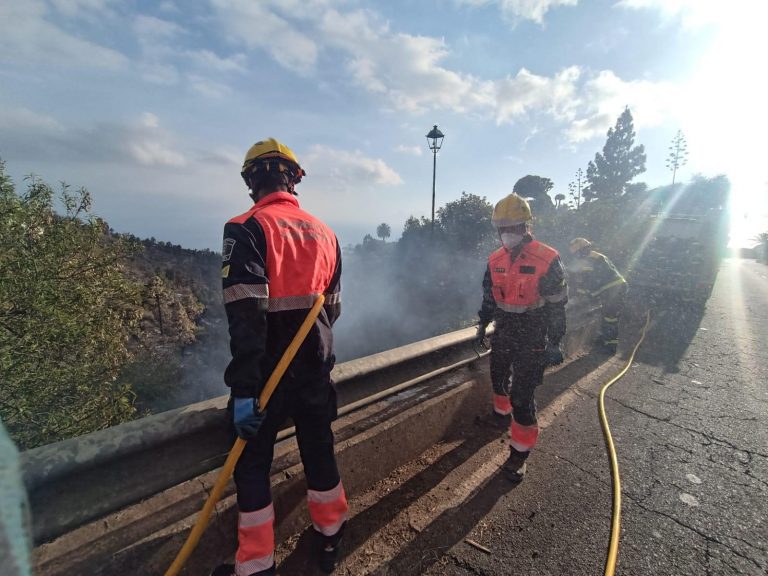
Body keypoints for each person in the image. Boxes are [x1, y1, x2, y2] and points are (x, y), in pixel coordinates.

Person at [214, 139, 348, 576]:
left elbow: (247, 318)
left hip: (267, 378)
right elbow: (332, 310)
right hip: (314, 371)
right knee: (319, 450)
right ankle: (330, 540)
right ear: (294, 178)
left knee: (253, 467)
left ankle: (256, 567)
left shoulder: (246, 228)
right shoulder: (326, 233)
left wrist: (243, 390)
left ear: (252, 180)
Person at [475, 192, 568, 483]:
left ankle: (519, 454)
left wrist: (555, 341)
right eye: (502, 228)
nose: (507, 233)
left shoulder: (547, 258)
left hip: (534, 335)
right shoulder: (495, 260)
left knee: (522, 396)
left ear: (526, 226)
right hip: (504, 331)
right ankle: (500, 417)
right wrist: (483, 324)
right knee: (498, 377)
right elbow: (490, 296)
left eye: (512, 227)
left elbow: (557, 305)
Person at [568, 238, 628, 354]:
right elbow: (587, 281)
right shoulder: (592, 257)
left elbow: (593, 282)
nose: (576, 256)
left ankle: (609, 346)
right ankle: (606, 341)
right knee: (607, 315)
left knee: (610, 317)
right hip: (612, 288)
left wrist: (584, 295)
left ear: (582, 250)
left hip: (614, 288)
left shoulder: (592, 259)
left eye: (576, 253)